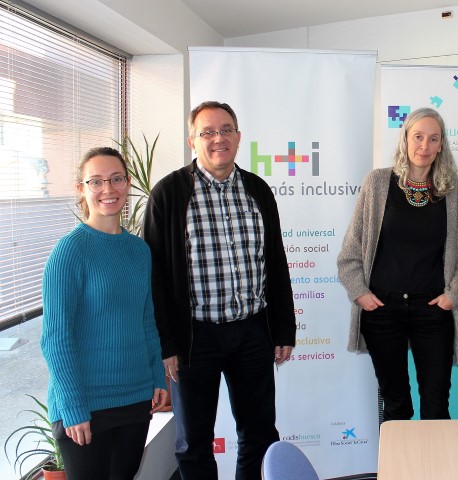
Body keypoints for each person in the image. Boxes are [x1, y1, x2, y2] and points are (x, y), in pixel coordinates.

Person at [142, 101, 296, 479]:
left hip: (252, 332)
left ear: (238, 137)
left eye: (226, 130)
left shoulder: (258, 190)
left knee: (260, 435)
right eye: (207, 132)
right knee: (193, 443)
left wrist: (283, 328)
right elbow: (154, 277)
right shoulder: (168, 194)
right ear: (192, 141)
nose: (218, 139)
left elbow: (275, 263)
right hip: (194, 339)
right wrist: (166, 345)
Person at [337, 107, 458, 421]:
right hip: (382, 311)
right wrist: (360, 292)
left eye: (433, 139)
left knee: (436, 407)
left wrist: (452, 296)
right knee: (396, 406)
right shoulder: (377, 183)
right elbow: (350, 252)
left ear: (441, 145)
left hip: (432, 311)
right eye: (418, 137)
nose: (424, 146)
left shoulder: (452, 189)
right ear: (405, 139)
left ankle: (435, 457)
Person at [40, 147, 168, 480]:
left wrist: (156, 376)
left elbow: (146, 320)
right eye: (96, 181)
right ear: (81, 189)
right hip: (87, 404)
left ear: (127, 184)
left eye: (116, 179)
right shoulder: (70, 251)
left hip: (135, 398)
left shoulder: (139, 250)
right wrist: (73, 406)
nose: (107, 189)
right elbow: (56, 338)